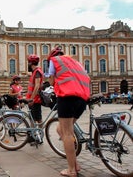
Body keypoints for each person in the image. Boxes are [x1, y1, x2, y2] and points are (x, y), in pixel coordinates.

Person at [48, 47, 90, 177]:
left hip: (67, 98)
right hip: (82, 99)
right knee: (61, 129)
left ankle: (71, 170)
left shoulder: (54, 61)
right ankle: (75, 163)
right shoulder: (76, 63)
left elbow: (51, 80)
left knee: (66, 133)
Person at [26, 54, 43, 128]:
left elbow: (37, 86)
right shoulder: (35, 72)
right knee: (34, 118)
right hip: (33, 99)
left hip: (35, 100)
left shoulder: (37, 72)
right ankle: (34, 134)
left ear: (31, 63)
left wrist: (31, 99)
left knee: (37, 119)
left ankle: (37, 135)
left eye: (28, 62)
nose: (28, 64)